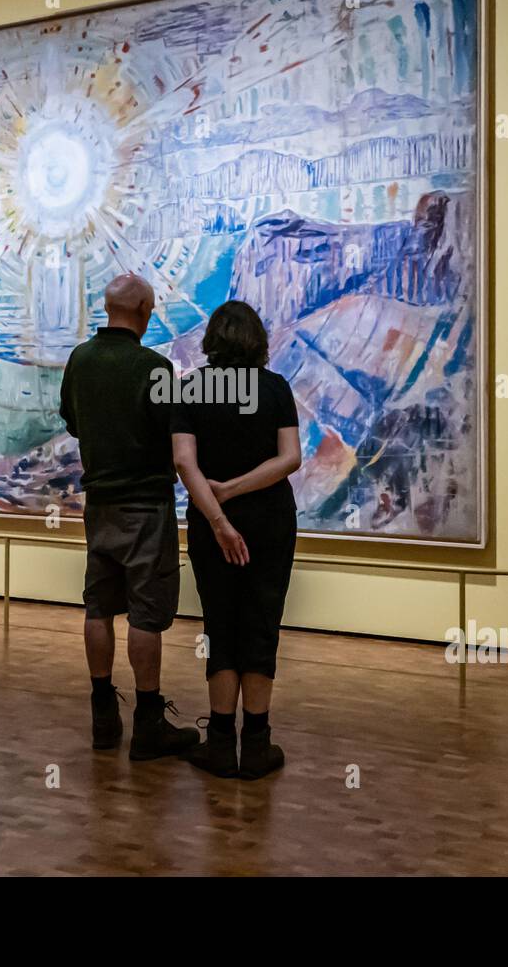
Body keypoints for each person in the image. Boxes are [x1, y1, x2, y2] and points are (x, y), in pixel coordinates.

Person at [59, 274, 199, 760]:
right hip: (147, 508)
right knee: (145, 614)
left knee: (98, 605)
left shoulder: (80, 361)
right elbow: (174, 438)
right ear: (144, 310)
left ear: (107, 307)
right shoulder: (154, 368)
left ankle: (102, 714)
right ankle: (148, 722)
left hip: (99, 506)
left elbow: (73, 421)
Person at [170, 300, 301, 779]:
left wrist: (219, 515)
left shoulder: (189, 389)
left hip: (209, 524)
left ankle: (221, 743)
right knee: (262, 623)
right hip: (270, 521)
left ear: (212, 340)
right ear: (257, 341)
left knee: (219, 625)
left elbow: (185, 463)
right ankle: (258, 744)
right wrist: (237, 490)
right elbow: (290, 459)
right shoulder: (276, 388)